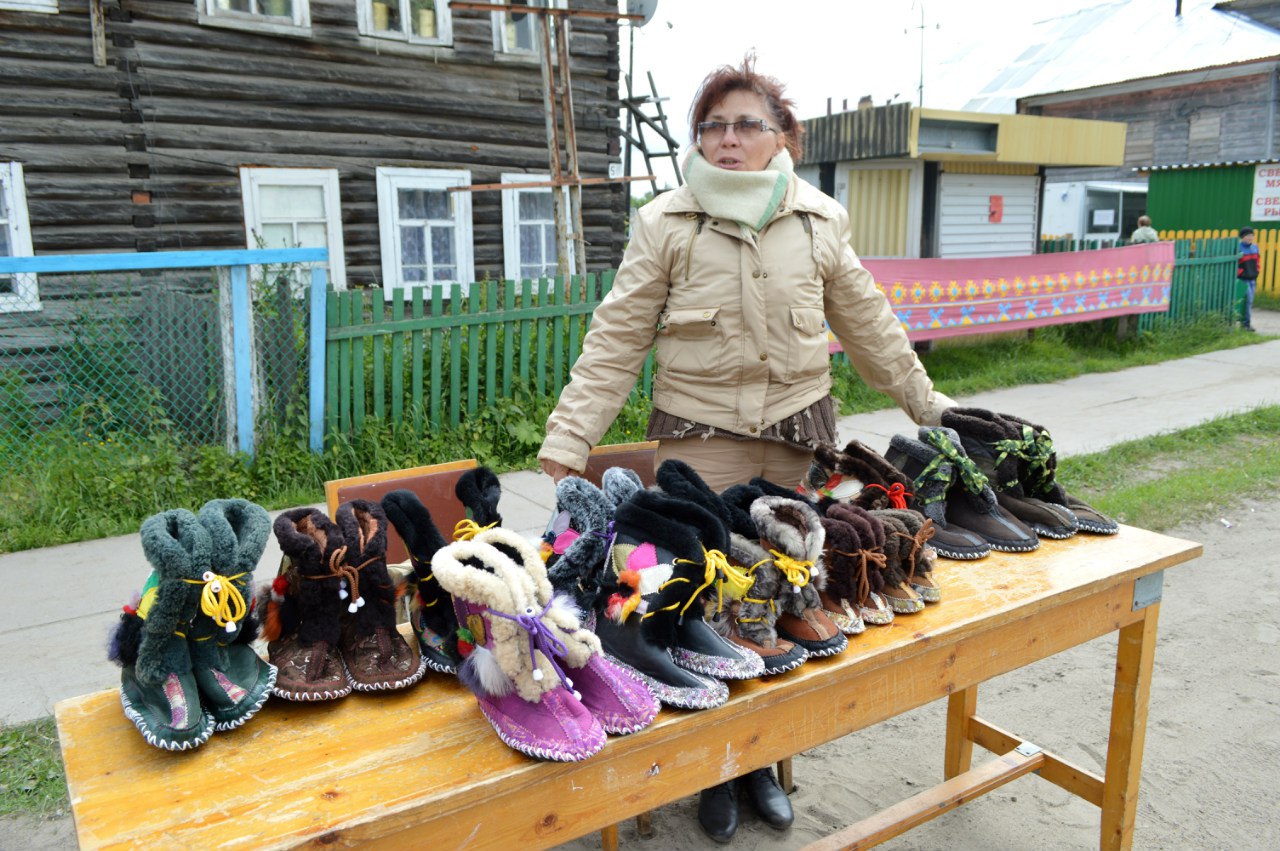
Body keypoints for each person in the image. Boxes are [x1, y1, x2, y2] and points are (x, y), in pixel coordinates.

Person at [537, 56, 955, 843]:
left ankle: (767, 762)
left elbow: (872, 328)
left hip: (795, 442)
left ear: (780, 136)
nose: (728, 140)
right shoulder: (665, 222)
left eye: (745, 125)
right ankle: (717, 771)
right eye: (713, 127)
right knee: (707, 607)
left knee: (785, 605)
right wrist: (569, 440)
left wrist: (932, 406)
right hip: (701, 454)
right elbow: (616, 340)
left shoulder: (819, 221)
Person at [1238, 226, 1259, 332]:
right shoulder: (1238, 248)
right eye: (1248, 236)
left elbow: (1257, 261)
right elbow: (1235, 264)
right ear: (1242, 237)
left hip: (1253, 279)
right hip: (1243, 280)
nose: (1250, 238)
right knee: (1246, 301)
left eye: (1252, 235)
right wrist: (1240, 273)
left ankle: (1246, 323)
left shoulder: (1255, 247)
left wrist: (1257, 271)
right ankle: (1246, 324)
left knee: (1249, 302)